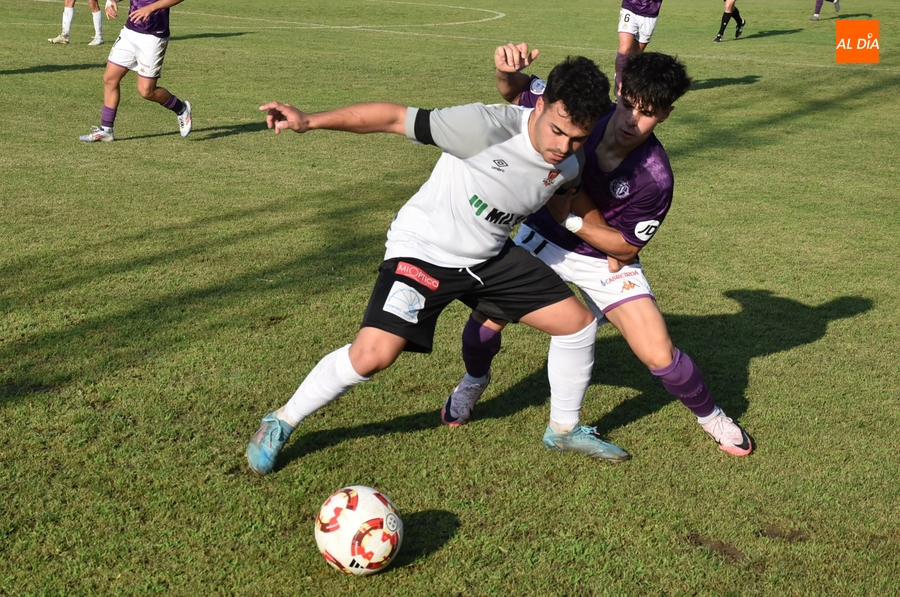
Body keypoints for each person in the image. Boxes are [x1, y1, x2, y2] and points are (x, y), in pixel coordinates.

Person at [246, 55, 625, 476]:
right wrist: (310, 121)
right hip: (425, 249)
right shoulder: (483, 128)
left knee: (576, 325)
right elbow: (393, 117)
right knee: (372, 356)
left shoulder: (569, 162)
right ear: (540, 105)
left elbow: (567, 196)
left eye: (577, 138)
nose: (563, 147)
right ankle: (281, 420)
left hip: (489, 256)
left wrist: (605, 240)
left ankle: (563, 430)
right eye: (557, 130)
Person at [441, 44, 753, 457]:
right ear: (619, 90)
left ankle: (712, 417)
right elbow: (516, 91)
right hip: (542, 240)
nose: (631, 120)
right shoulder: (584, 111)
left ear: (665, 114)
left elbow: (623, 247)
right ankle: (474, 380)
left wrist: (571, 219)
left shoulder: (655, 177)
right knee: (486, 321)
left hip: (601, 260)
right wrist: (504, 70)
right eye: (628, 105)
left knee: (660, 353)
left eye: (647, 113)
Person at [79, 0, 192, 142]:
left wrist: (150, 8)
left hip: (153, 35)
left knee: (146, 91)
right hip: (130, 32)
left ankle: (181, 109)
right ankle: (106, 130)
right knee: (110, 78)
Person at [615, 1, 663, 87]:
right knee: (625, 48)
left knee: (635, 56)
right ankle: (619, 81)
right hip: (630, 8)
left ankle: (628, 82)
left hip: (650, 14)